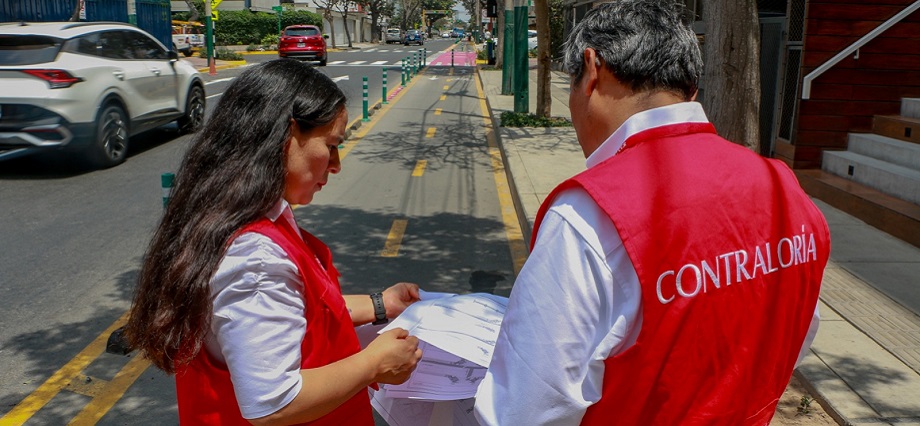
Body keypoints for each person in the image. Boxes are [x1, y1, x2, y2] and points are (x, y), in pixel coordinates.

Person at [473, 1, 830, 424]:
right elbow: (800, 330)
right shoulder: (783, 188)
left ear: (591, 70)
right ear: (690, 87)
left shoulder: (588, 215)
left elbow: (522, 410)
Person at [124, 59, 422, 425]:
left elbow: (298, 308)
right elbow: (273, 404)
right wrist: (373, 364)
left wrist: (382, 304)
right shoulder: (254, 256)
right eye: (330, 145)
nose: (335, 163)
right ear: (286, 136)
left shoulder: (247, 217)